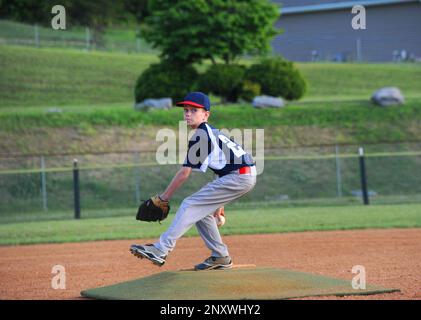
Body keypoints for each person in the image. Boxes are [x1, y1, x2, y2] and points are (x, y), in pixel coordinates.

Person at [130, 92, 256, 270]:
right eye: (186, 110)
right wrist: (219, 205)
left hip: (239, 176)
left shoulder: (201, 136)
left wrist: (164, 197)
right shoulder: (212, 133)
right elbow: (225, 165)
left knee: (190, 204)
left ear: (206, 114)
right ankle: (220, 256)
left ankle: (161, 249)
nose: (187, 114)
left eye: (194, 110)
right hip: (241, 175)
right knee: (201, 212)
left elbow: (184, 173)